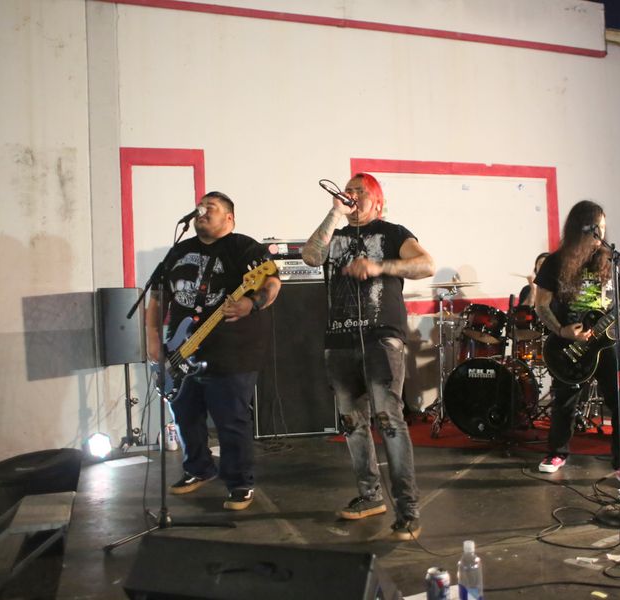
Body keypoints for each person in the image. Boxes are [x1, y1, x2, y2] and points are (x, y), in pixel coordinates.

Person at [302, 173, 435, 541]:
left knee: (388, 420)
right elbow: (310, 256)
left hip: (381, 340)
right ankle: (370, 496)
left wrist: (380, 266)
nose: (352, 195)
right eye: (349, 190)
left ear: (377, 201)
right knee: (352, 423)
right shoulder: (335, 233)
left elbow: (426, 264)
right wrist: (335, 214)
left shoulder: (393, 233)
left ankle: (408, 510)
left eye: (360, 191)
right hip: (338, 341)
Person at [145, 191, 281, 510]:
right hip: (181, 349)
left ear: (229, 218)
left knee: (230, 419)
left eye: (211, 208)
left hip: (232, 350)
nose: (202, 212)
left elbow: (272, 283)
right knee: (185, 414)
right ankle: (198, 468)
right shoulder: (179, 251)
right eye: (200, 207)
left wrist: (252, 303)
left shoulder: (244, 247)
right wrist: (152, 337)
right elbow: (157, 297)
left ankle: (239, 482)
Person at [533, 200, 620, 480]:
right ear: (580, 228)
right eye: (596, 228)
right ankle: (557, 452)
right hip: (570, 344)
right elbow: (541, 305)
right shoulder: (555, 262)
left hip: (608, 343)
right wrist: (562, 331)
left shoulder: (614, 262)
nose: (601, 234)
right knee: (565, 401)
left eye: (603, 228)